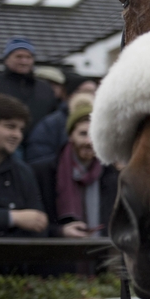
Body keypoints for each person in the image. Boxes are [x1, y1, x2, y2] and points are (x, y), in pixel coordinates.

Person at [32, 101, 118, 239]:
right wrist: (60, 231)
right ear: (70, 136)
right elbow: (34, 222)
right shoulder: (43, 172)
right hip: (59, 254)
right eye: (83, 134)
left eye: (94, 135)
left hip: (101, 252)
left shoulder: (112, 174)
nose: (89, 142)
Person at [0, 95, 48, 237]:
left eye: (21, 129)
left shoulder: (23, 172)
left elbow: (37, 223)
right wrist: (12, 218)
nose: (17, 135)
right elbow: (24, 218)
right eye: (10, 127)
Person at [0, 38, 58, 155]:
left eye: (28, 57)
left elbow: (52, 117)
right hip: (3, 148)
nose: (24, 61)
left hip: (39, 149)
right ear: (7, 59)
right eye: (19, 57)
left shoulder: (45, 88)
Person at [26, 74, 98, 164]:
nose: (92, 96)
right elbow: (38, 156)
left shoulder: (102, 123)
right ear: (71, 95)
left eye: (94, 92)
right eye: (86, 91)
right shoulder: (51, 124)